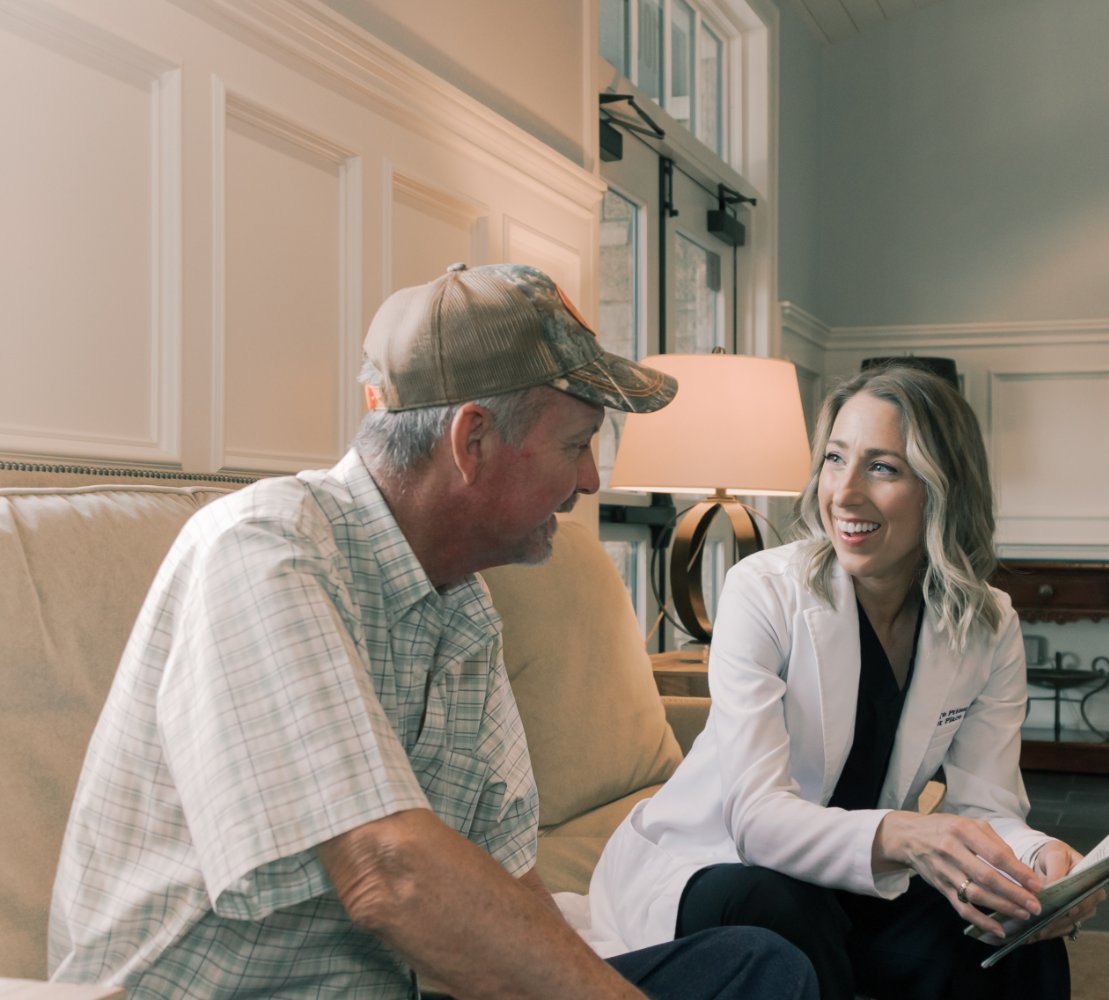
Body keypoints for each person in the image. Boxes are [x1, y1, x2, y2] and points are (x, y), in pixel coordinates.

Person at [48, 263, 818, 1000]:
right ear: (471, 440)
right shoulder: (266, 549)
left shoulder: (463, 609)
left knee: (753, 967)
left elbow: (511, 890)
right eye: (576, 444)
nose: (588, 482)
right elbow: (387, 871)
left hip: (388, 986)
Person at [582, 364, 1102, 1000]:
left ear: (943, 488)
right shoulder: (763, 591)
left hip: (852, 878)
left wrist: (1038, 861)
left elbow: (985, 808)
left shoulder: (988, 622)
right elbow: (756, 821)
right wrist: (911, 836)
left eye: (882, 467)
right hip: (717, 864)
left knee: (1013, 934)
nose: (845, 493)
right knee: (787, 910)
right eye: (834, 459)